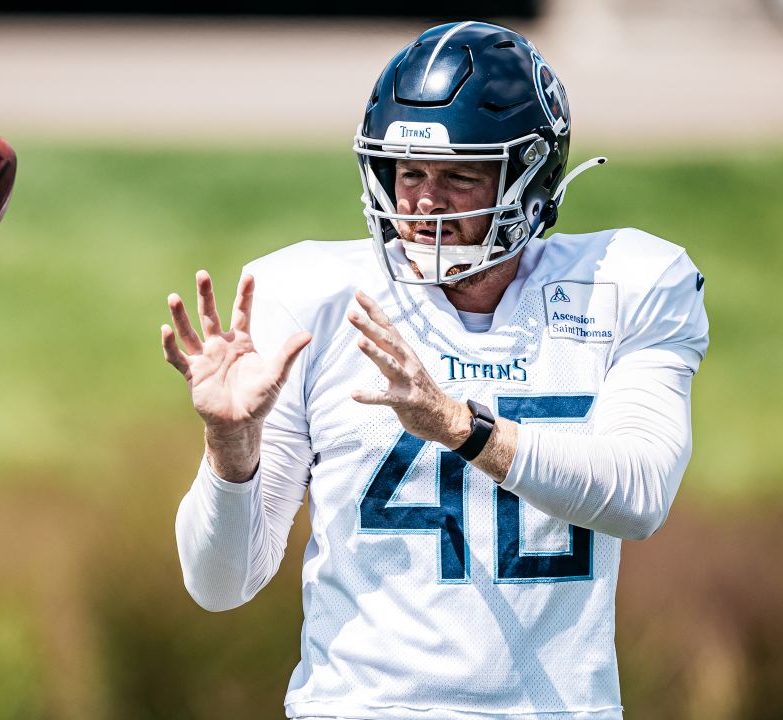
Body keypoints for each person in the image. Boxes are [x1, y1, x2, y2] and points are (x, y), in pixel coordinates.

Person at [162, 20, 707, 720]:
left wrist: (459, 426)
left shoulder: (628, 281)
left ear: (531, 178)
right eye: (407, 172)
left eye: (457, 176)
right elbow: (220, 583)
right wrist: (229, 447)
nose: (421, 204)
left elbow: (638, 495)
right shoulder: (309, 300)